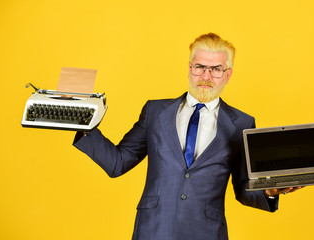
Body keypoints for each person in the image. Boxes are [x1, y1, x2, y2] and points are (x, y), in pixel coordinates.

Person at [73, 33, 302, 240]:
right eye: (200, 67)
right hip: (153, 230)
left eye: (216, 69)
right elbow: (118, 163)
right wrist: (81, 123)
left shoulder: (241, 123)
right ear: (189, 68)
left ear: (227, 75)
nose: (206, 76)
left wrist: (269, 191)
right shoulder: (155, 112)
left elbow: (243, 187)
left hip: (207, 232)